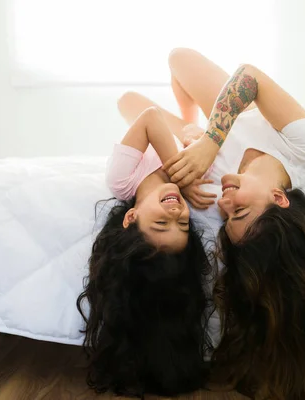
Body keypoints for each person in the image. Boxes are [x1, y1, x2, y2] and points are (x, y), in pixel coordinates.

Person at [119, 48, 305, 399]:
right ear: (279, 199)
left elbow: (132, 107)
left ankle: (191, 123)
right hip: (236, 117)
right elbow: (249, 76)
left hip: (210, 135)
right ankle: (195, 121)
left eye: (227, 217)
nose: (225, 203)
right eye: (240, 212)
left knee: (128, 100)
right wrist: (211, 141)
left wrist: (190, 140)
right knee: (179, 57)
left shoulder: (213, 184)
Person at [76, 107, 214, 397]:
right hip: (179, 131)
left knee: (128, 100)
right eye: (184, 223)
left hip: (159, 126)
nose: (176, 211)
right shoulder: (191, 186)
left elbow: (150, 117)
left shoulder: (122, 180)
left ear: (131, 218)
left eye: (162, 222)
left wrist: (182, 177)